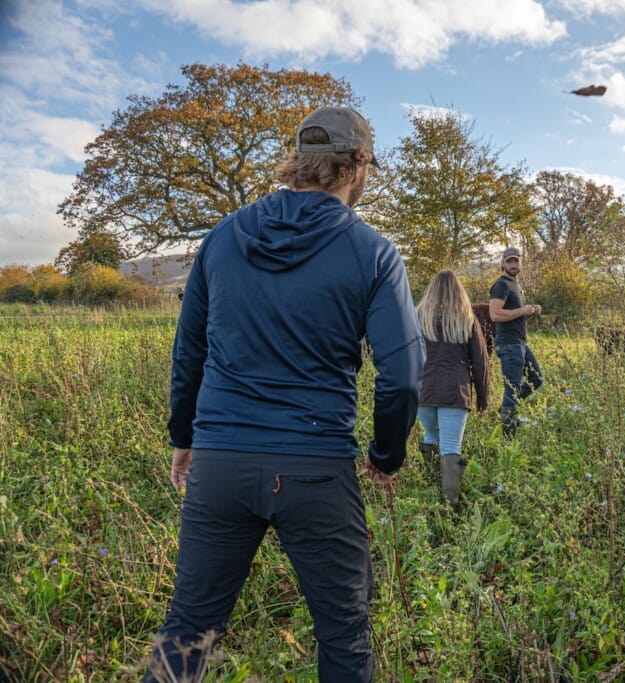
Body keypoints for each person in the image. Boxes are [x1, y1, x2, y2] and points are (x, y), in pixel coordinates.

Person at [144, 106, 425, 682]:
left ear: (298, 163)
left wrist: (184, 439)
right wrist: (385, 457)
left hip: (219, 462)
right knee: (343, 635)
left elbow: (188, 353)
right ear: (359, 164)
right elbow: (401, 376)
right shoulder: (373, 251)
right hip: (316, 468)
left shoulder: (221, 238)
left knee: (189, 628)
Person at [415, 269, 490, 508]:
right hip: (455, 390)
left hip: (422, 390)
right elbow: (480, 361)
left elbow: (406, 355)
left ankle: (429, 487)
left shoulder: (418, 316)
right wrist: (483, 399)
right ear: (458, 290)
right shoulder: (466, 318)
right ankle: (449, 506)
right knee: (450, 447)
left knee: (430, 436)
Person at [488, 246, 543, 438]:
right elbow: (494, 314)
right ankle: (507, 435)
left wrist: (531, 311)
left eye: (516, 261)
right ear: (503, 264)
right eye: (509, 261)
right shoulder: (501, 285)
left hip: (520, 343)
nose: (513, 264)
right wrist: (521, 311)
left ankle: (505, 412)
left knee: (537, 379)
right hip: (509, 345)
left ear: (521, 263)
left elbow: (513, 315)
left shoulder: (516, 286)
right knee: (512, 388)